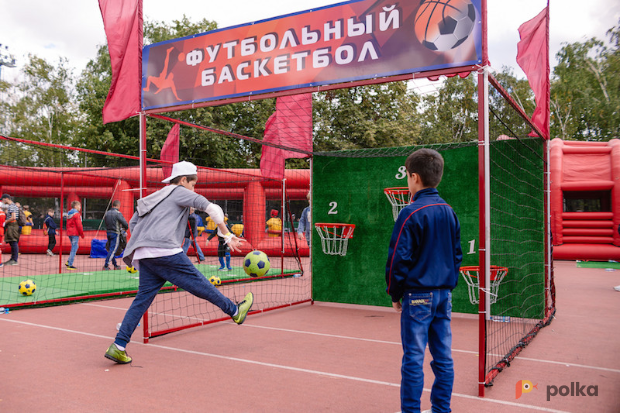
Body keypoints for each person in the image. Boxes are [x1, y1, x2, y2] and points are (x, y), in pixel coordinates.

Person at [105, 161, 253, 364]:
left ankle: (118, 345)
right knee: (199, 283)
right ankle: (235, 311)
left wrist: (142, 241)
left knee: (142, 300)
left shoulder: (157, 196)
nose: (194, 189)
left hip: (144, 253)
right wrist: (227, 236)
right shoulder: (179, 192)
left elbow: (132, 222)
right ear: (184, 180)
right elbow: (214, 209)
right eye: (193, 184)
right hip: (164, 250)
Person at [385, 149, 462, 413]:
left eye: (407, 176)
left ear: (414, 177)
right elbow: (457, 254)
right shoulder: (449, 212)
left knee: (414, 359)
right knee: (443, 357)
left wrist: (394, 293)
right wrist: (447, 285)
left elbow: (398, 259)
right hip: (443, 295)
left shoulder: (410, 213)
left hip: (417, 295)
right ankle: (442, 409)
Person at [103, 200, 129, 270]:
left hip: (108, 232)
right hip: (115, 233)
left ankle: (115, 265)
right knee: (113, 249)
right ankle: (106, 265)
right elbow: (124, 223)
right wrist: (125, 228)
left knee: (111, 249)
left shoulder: (107, 213)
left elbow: (105, 222)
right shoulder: (117, 213)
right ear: (118, 206)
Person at [1, 194, 20, 266]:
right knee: (12, 242)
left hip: (13, 225)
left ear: (6, 198)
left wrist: (5, 222)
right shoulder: (12, 206)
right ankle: (12, 259)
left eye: (3, 199)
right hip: (12, 225)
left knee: (13, 241)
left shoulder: (12, 206)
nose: (2, 201)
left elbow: (13, 217)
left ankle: (14, 260)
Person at [66, 201, 84, 270]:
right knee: (74, 248)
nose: (80, 207)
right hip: (75, 233)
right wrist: (82, 234)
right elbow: (79, 225)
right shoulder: (77, 214)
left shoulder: (69, 214)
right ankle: (70, 264)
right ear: (76, 206)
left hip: (70, 232)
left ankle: (68, 261)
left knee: (75, 247)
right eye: (79, 206)